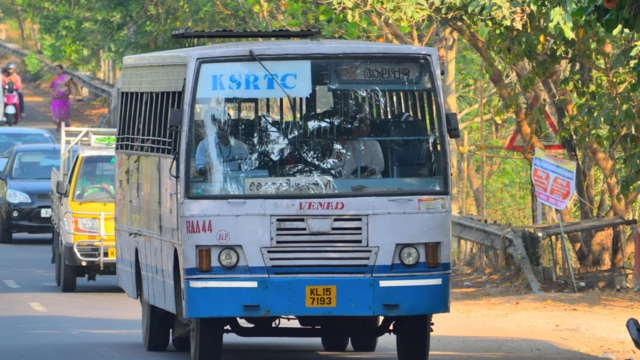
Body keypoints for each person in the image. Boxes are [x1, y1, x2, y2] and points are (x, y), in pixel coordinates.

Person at [328, 107, 384, 179]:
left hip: (372, 183)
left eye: (368, 126)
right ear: (355, 126)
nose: (368, 129)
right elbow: (335, 165)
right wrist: (339, 151)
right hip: (348, 184)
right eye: (365, 126)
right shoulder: (343, 144)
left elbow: (379, 166)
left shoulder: (374, 144)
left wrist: (365, 175)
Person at [49, 64, 76, 131]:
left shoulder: (67, 78)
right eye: (56, 69)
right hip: (56, 99)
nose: (57, 71)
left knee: (64, 112)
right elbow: (50, 87)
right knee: (57, 112)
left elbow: (71, 87)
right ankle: (58, 125)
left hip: (64, 99)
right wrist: (52, 93)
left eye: (58, 69)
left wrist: (74, 96)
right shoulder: (53, 78)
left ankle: (64, 125)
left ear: (62, 70)